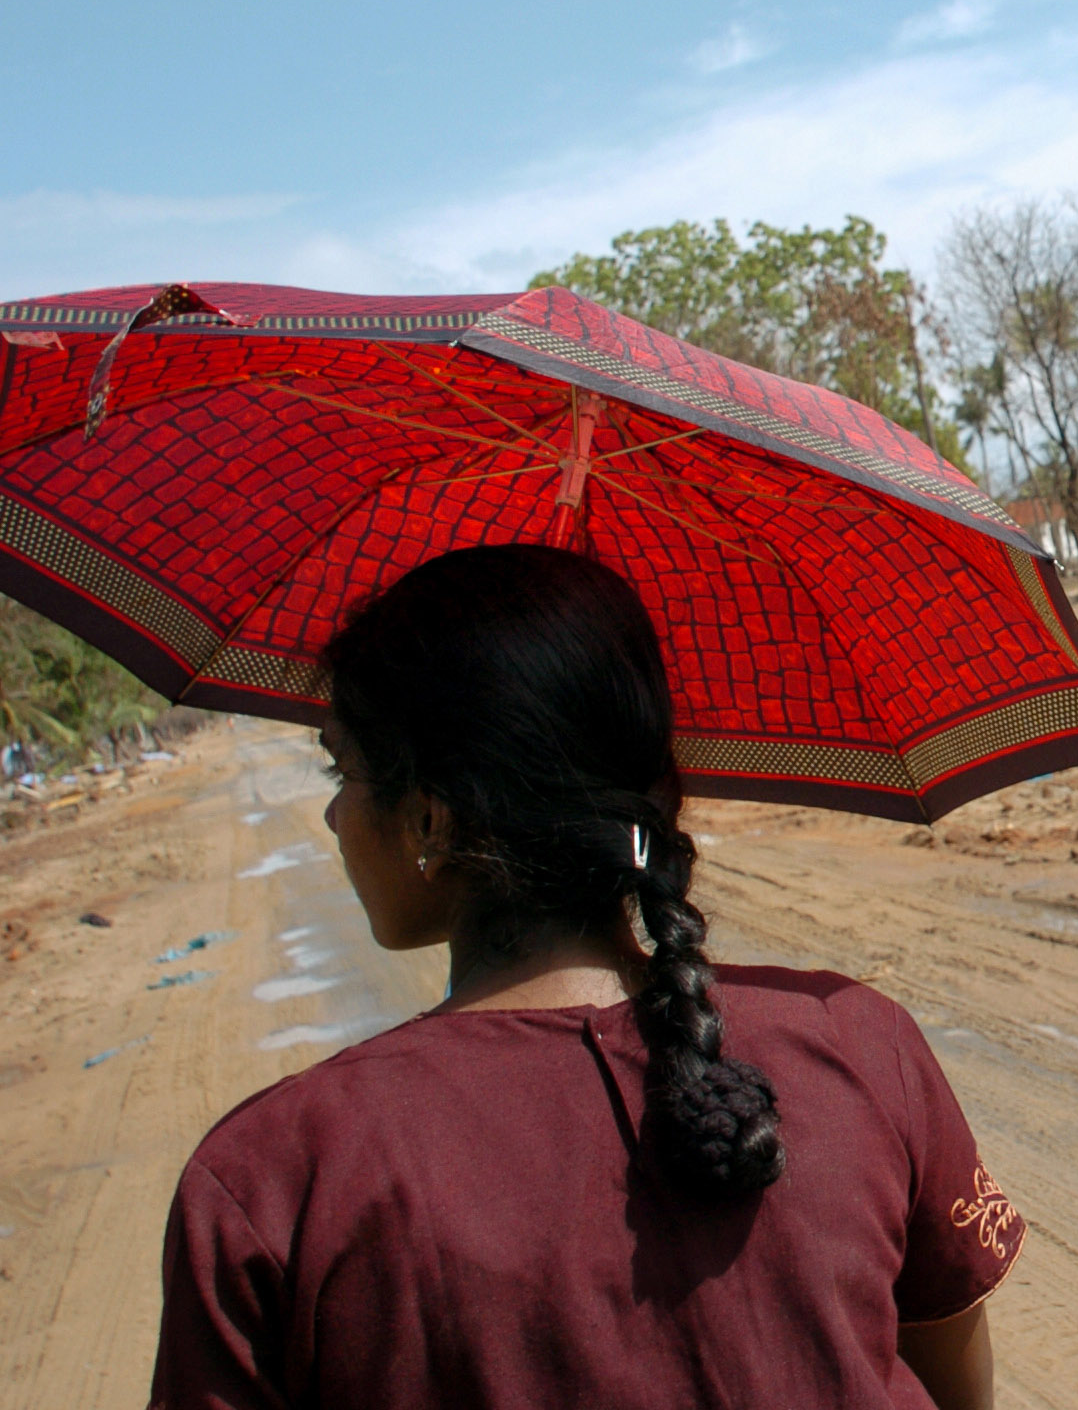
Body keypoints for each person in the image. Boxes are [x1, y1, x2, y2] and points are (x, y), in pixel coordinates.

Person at [150, 545, 1020, 1410]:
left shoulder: (275, 1180)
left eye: (344, 770)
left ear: (429, 818)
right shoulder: (858, 1038)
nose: (334, 813)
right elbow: (955, 1389)